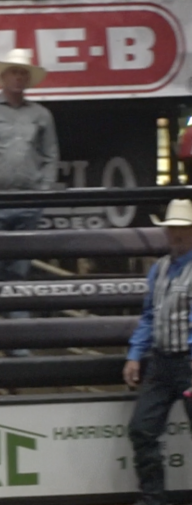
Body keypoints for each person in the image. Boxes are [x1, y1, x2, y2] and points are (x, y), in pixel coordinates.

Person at [0, 48, 58, 357]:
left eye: (22, 73)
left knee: (19, 270)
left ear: (27, 79)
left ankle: (17, 340)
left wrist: (42, 192)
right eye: (13, 72)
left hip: (28, 201)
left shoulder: (41, 114)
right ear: (3, 77)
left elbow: (50, 156)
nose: (18, 77)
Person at [125, 198, 192, 505]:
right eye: (172, 230)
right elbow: (149, 316)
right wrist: (135, 354)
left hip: (188, 362)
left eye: (182, 230)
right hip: (162, 362)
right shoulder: (159, 270)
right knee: (142, 429)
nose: (175, 235)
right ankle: (153, 497)